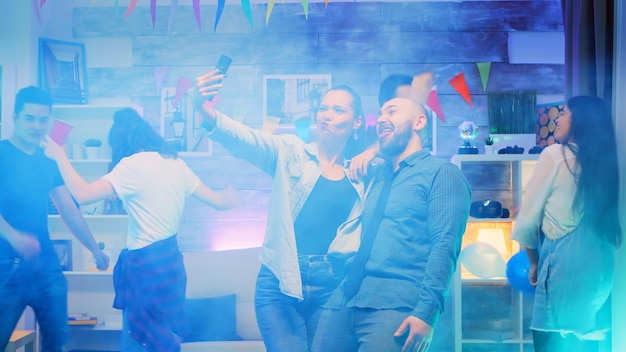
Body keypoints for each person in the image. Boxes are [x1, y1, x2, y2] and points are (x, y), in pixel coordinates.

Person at [192, 69, 368, 352]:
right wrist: (202, 108)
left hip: (331, 285)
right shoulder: (290, 150)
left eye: (338, 110)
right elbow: (244, 138)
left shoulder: (361, 174)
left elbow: (399, 150)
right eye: (323, 108)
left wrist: (373, 152)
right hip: (280, 281)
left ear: (357, 121)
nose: (327, 115)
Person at [42, 107, 239, 352]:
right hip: (172, 269)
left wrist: (59, 155)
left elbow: (82, 195)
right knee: (162, 334)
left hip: (145, 270)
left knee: (138, 340)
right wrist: (231, 193)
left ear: (121, 142)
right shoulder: (175, 162)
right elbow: (221, 202)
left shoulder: (131, 165)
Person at [311, 97, 471, 352]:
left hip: (396, 302)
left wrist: (427, 312)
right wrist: (372, 151)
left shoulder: (441, 173)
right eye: (380, 114)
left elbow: (445, 246)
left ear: (419, 122)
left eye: (392, 112)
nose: (382, 118)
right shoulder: (375, 175)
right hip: (343, 299)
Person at [0, 86, 109, 352]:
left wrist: (94, 248)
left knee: (56, 343)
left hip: (46, 267)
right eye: (29, 118)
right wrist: (13, 236)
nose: (36, 126)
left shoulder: (48, 161)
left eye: (42, 119)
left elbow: (68, 208)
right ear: (15, 117)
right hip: (5, 267)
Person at [511, 95, 622, 352]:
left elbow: (527, 222)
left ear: (579, 121)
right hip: (601, 280)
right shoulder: (607, 165)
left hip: (564, 275)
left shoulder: (555, 155)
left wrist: (534, 263)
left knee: (552, 343)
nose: (557, 119)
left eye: (563, 113)